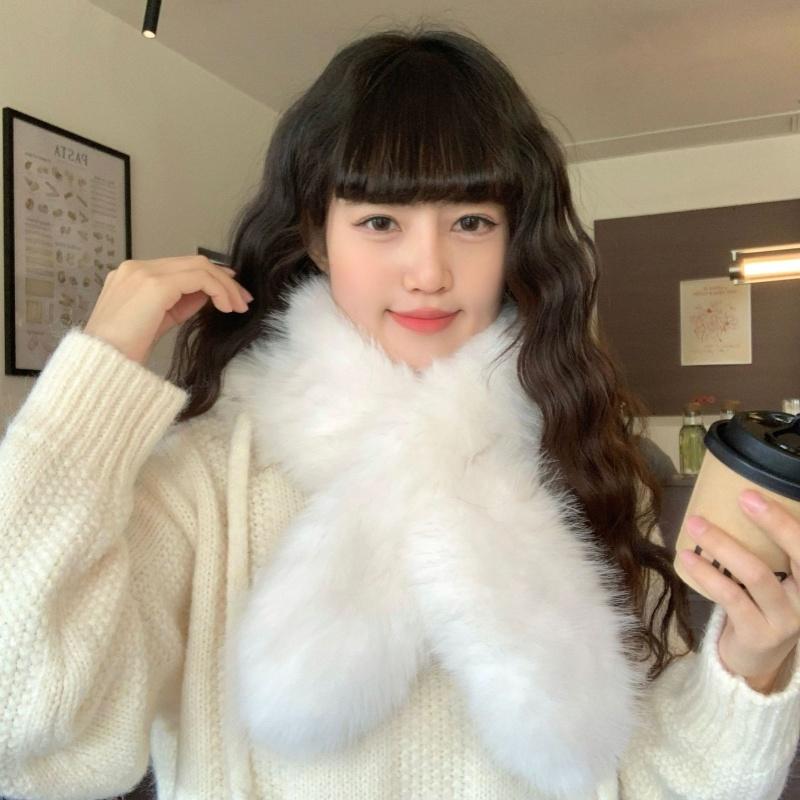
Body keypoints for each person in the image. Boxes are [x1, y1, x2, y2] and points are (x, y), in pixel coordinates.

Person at [1, 21, 799, 800]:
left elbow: (655, 780)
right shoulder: (202, 483)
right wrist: (92, 383)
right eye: (381, 222)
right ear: (319, 238)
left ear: (514, 241)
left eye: (472, 222)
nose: (429, 271)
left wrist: (752, 665)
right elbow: (33, 737)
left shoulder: (585, 459)